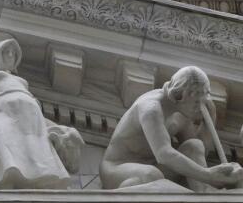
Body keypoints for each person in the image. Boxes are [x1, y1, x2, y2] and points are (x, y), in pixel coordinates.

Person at [0, 38, 82, 189]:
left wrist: (60, 129)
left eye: (14, 53)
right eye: (7, 52)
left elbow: (39, 116)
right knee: (7, 156)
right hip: (3, 113)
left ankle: (42, 185)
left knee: (39, 159)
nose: (11, 56)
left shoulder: (22, 83)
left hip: (32, 120)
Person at [100, 66, 243, 191]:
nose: (200, 106)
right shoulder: (151, 109)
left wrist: (210, 117)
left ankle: (206, 196)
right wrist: (209, 175)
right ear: (178, 95)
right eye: (196, 102)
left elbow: (197, 157)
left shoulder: (182, 111)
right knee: (151, 175)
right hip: (118, 169)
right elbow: (164, 154)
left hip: (156, 168)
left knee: (194, 145)